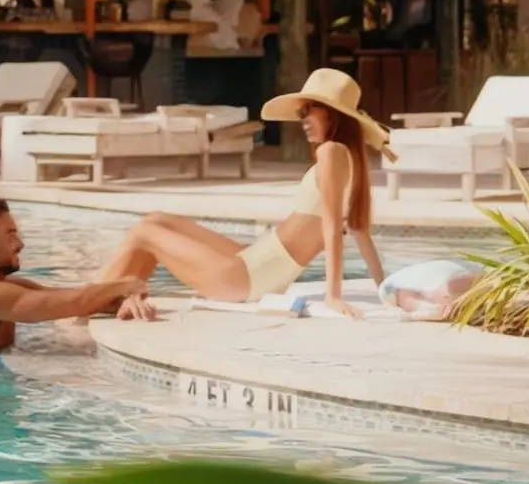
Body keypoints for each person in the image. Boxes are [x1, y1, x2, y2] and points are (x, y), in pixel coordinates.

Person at [93, 69, 392, 316]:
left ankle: (80, 309)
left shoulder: (330, 153)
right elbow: (358, 229)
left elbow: (331, 226)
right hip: (257, 263)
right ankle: (113, 300)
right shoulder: (351, 160)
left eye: (307, 111)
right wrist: (385, 287)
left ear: (331, 114)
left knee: (145, 232)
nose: (301, 120)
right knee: (157, 220)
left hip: (247, 279)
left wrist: (333, 296)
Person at [0, 196, 154, 369]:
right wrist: (125, 284)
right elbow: (77, 302)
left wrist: (125, 301)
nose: (20, 243)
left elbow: (72, 301)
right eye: (10, 234)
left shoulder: (6, 288)